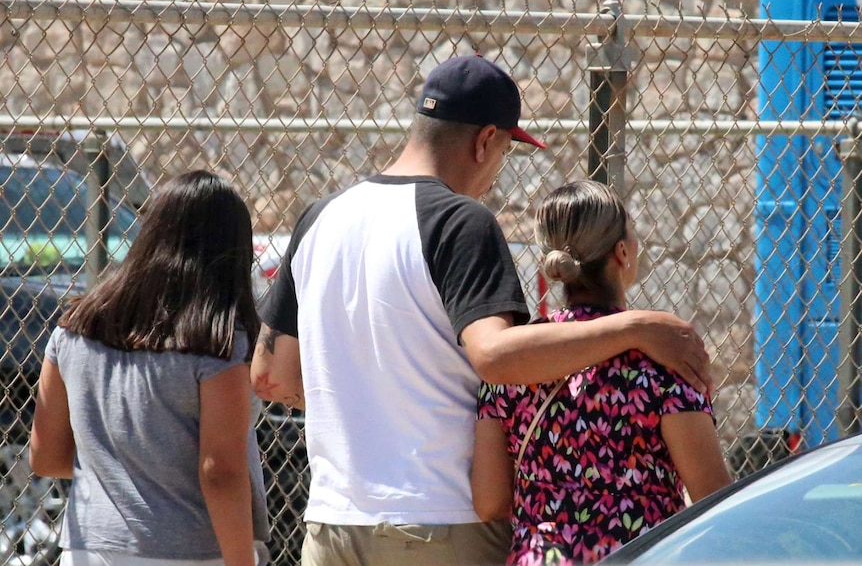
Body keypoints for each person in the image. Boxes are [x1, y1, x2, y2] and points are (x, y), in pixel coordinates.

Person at [251, 54, 713, 566]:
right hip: (437, 523)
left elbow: (271, 376)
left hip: (333, 522)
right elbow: (496, 356)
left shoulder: (320, 217)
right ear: (484, 140)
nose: (496, 173)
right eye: (506, 151)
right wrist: (636, 325)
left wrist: (368, 400)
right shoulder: (459, 220)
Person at [471, 180, 733, 565]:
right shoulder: (664, 359)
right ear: (623, 253)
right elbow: (712, 496)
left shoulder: (513, 361)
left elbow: (489, 501)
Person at [29, 170, 270, 566]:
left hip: (88, 547)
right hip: (190, 551)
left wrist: (123, 474)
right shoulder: (218, 342)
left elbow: (46, 456)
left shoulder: (75, 330)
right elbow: (220, 471)